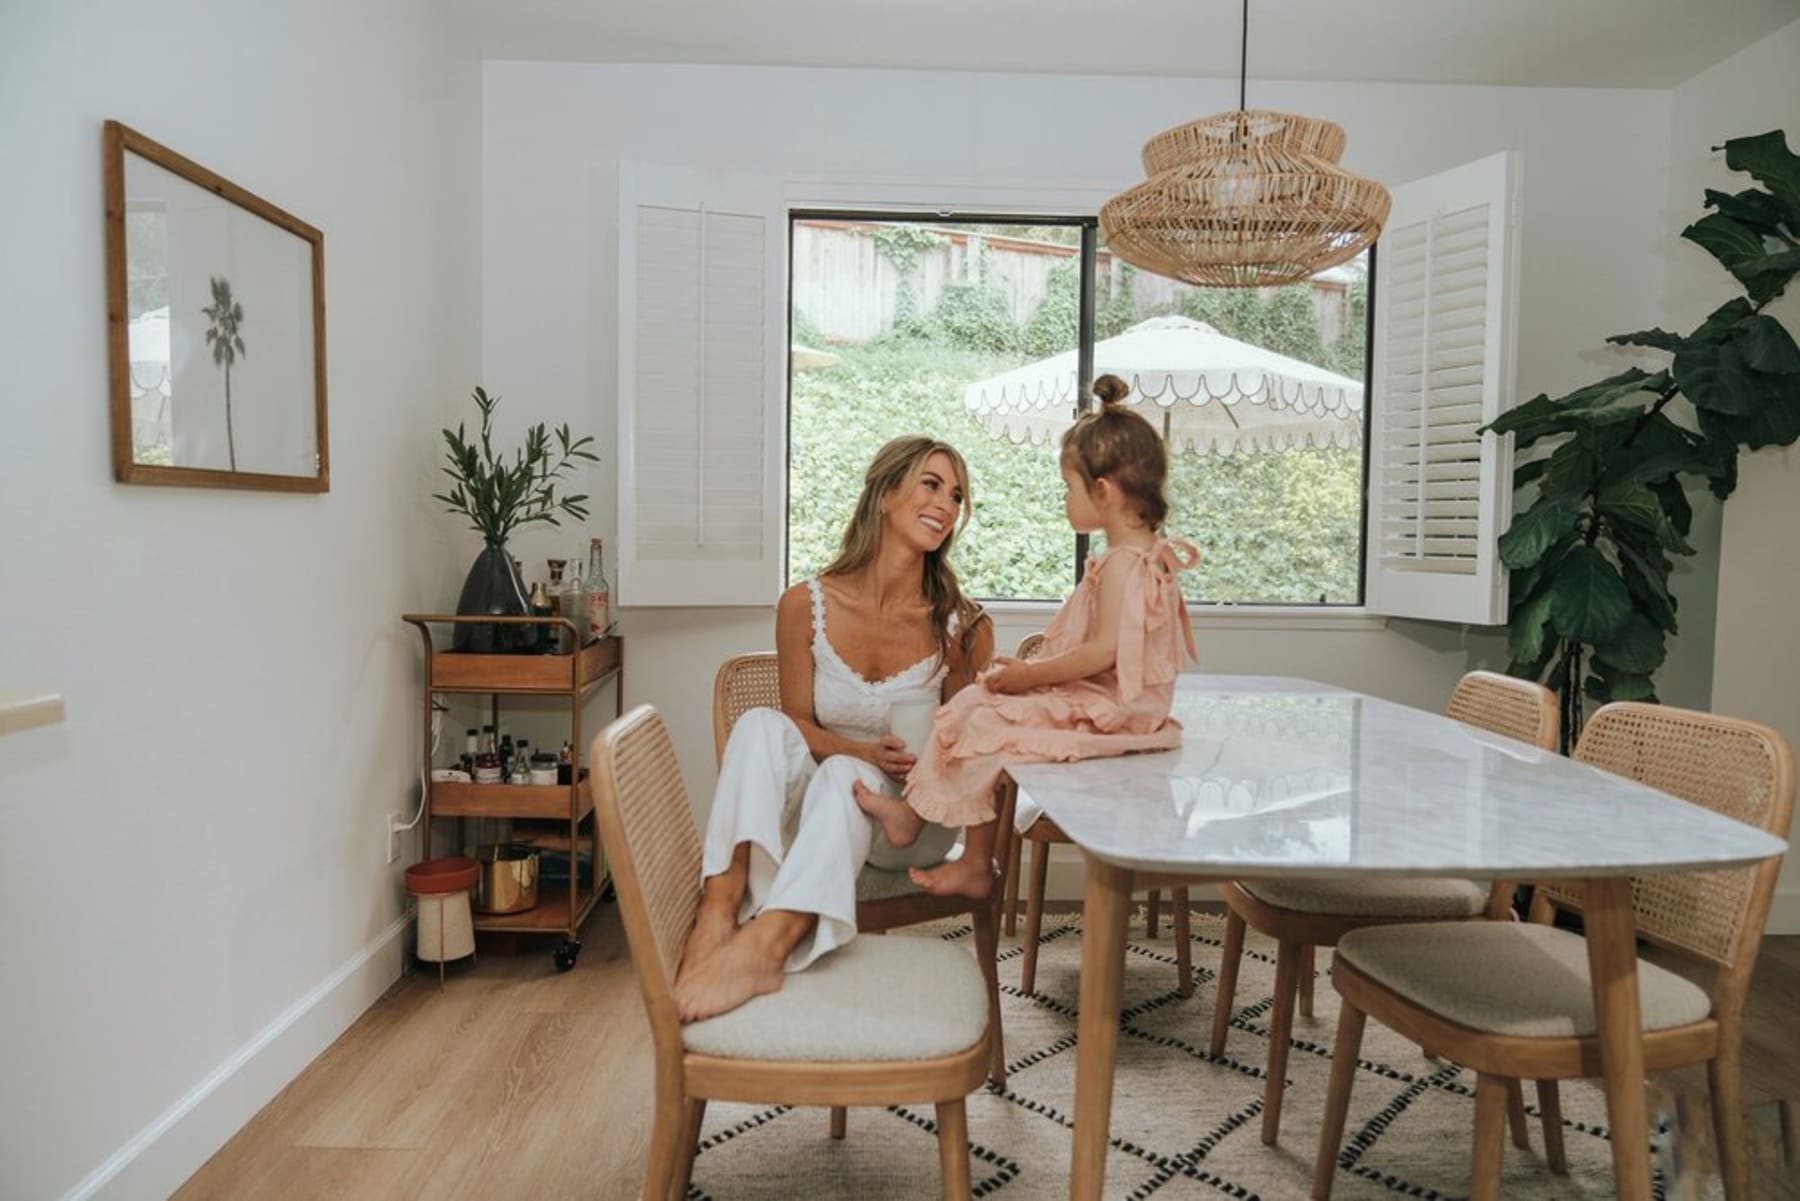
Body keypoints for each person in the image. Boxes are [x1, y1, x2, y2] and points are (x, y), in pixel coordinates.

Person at [672, 436, 995, 1023]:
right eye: (931, 484)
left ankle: (769, 943)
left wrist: (881, 774)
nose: (946, 505)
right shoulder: (804, 604)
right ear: (886, 492)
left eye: (957, 495)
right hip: (824, 810)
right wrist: (859, 749)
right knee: (762, 726)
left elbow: (970, 751)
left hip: (910, 824)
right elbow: (798, 724)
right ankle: (718, 907)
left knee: (846, 773)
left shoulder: (961, 625)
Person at [854, 374, 1198, 898]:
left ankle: (967, 857)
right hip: (1121, 700)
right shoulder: (1138, 556)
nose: (1065, 500)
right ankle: (922, 822)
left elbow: (1103, 651)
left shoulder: (1127, 563)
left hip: (1121, 710)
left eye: (1069, 488)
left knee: (988, 713)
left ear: (1102, 493)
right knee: (981, 702)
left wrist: (1029, 676)